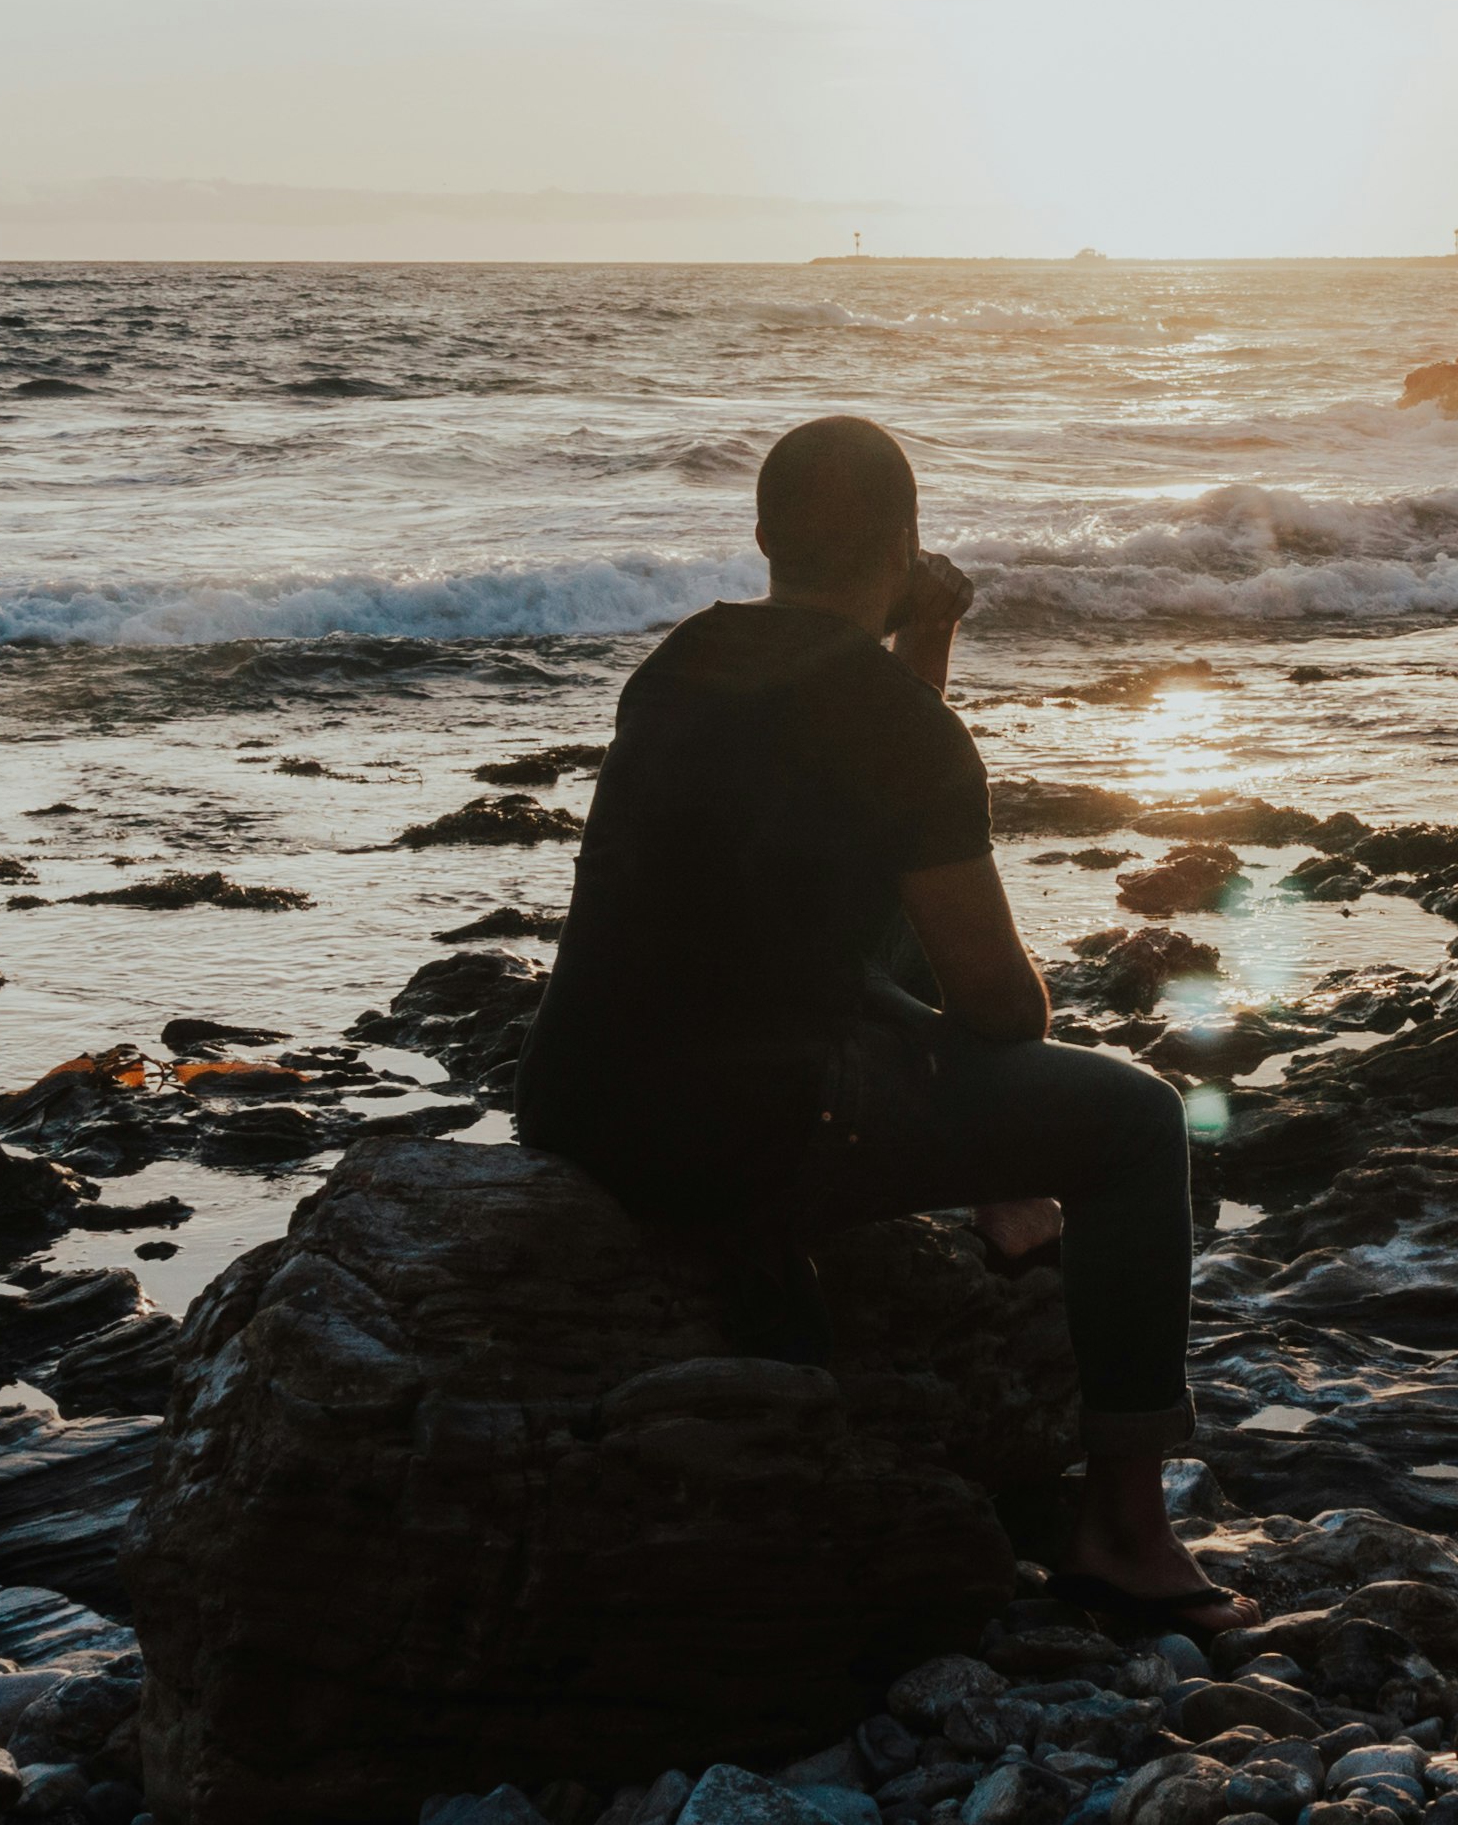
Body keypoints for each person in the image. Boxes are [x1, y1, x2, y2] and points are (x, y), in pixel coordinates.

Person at [513, 413, 1234, 1627]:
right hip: (751, 1124)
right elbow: (999, 1002)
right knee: (1133, 1123)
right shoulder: (905, 732)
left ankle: (988, 1196)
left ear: (761, 537)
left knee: (849, 943)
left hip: (582, 1100)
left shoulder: (681, 663)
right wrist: (998, 1075)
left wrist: (925, 644)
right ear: (904, 545)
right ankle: (1124, 1530)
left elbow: (848, 834)